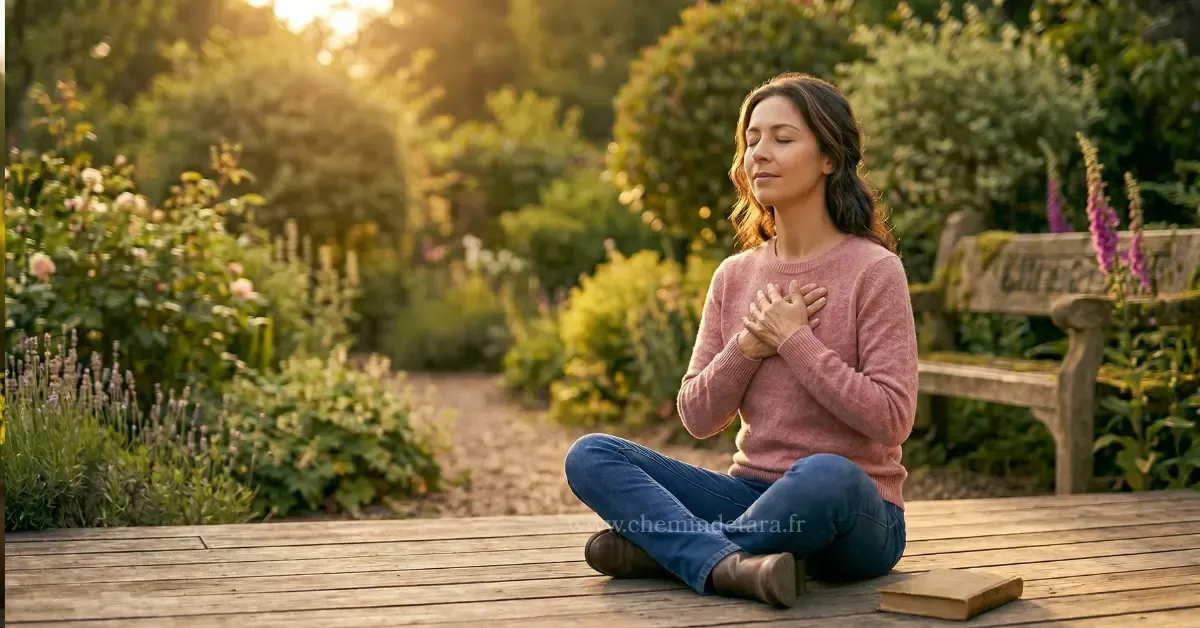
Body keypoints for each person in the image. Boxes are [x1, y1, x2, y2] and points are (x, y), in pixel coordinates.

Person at [563, 73, 918, 609]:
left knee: (827, 475)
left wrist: (796, 341)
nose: (760, 154)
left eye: (782, 137)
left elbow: (893, 419)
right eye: (752, 140)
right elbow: (698, 417)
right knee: (590, 455)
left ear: (828, 158)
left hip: (854, 514)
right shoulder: (734, 276)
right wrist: (750, 345)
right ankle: (734, 564)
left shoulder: (875, 271)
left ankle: (672, 552)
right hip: (750, 496)